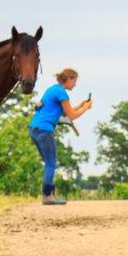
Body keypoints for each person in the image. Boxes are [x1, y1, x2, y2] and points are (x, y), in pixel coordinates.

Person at [28, 68, 93, 205]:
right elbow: (71, 116)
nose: (75, 85)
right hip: (44, 130)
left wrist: (81, 105)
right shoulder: (61, 92)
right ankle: (48, 196)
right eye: (74, 81)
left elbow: (63, 113)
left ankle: (48, 194)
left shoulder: (53, 89)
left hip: (34, 129)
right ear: (68, 79)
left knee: (48, 162)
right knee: (51, 163)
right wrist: (86, 108)